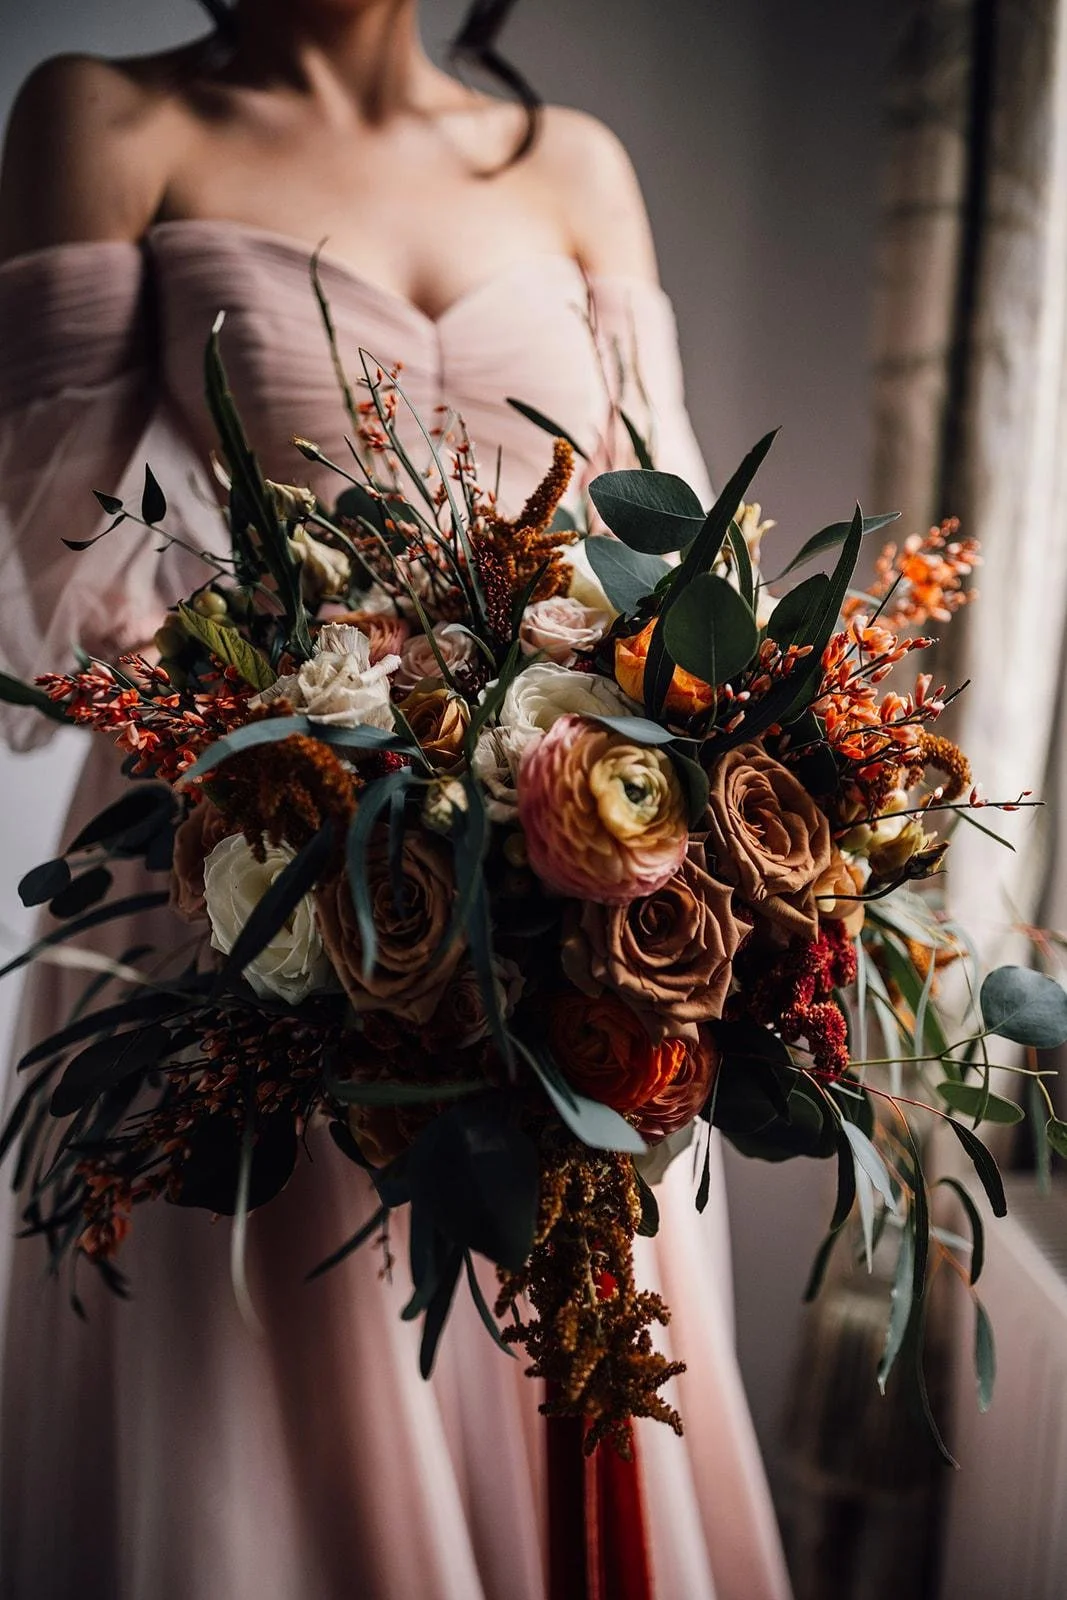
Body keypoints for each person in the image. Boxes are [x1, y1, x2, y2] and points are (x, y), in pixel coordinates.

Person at [0, 3, 793, 1596]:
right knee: (277, 1366)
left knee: (570, 1312)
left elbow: (681, 556)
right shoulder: (107, 116)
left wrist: (632, 785)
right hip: (253, 849)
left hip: (566, 866)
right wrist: (335, 738)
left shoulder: (572, 164)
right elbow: (50, 544)